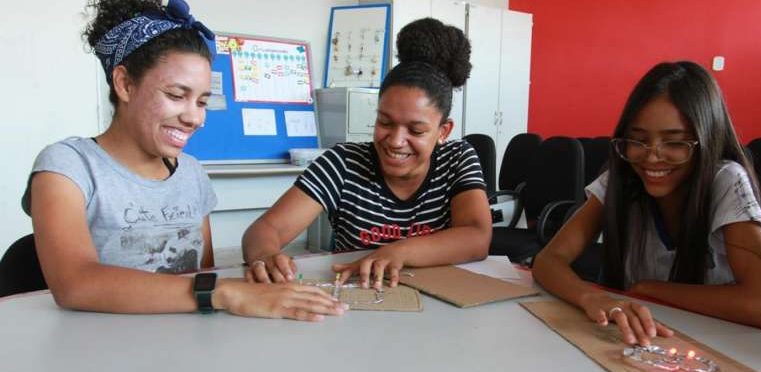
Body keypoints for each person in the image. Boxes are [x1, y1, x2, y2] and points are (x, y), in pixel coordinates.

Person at [22, 0, 344, 321]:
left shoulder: (191, 172)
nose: (195, 118)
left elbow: (203, 273)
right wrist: (224, 292)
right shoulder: (67, 167)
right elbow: (75, 284)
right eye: (177, 95)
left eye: (202, 101)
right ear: (124, 84)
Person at [532, 61, 761, 345]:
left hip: (718, 343)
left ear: (706, 141)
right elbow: (548, 261)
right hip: (644, 341)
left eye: (675, 143)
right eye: (638, 141)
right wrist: (592, 297)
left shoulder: (725, 180)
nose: (652, 157)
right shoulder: (622, 178)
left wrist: (647, 289)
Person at [242, 18, 492, 289]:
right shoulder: (343, 163)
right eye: (385, 122)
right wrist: (266, 255)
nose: (396, 141)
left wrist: (397, 251)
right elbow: (264, 230)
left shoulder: (457, 158)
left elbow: (477, 237)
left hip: (439, 304)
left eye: (416, 131)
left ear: (443, 131)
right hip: (356, 304)